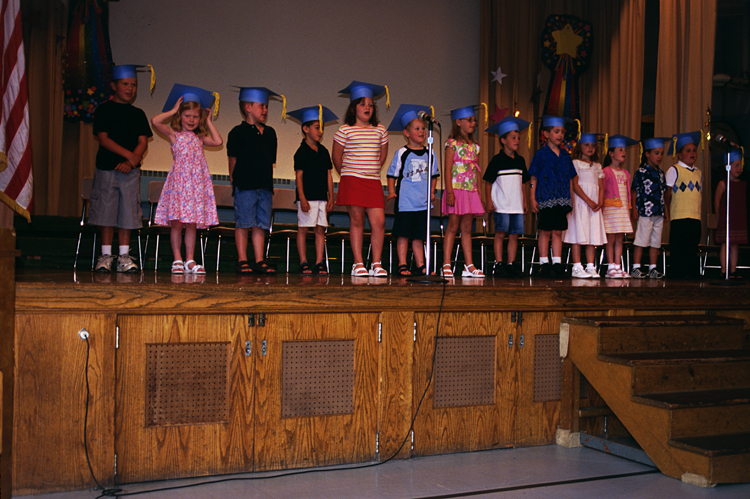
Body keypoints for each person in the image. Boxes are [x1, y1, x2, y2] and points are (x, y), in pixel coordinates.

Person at [151, 84, 222, 275]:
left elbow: (218, 142)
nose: (191, 120)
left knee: (191, 224)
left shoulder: (200, 137)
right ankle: (177, 259)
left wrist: (208, 120)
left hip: (196, 186)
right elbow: (155, 121)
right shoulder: (175, 135)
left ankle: (190, 259)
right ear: (180, 117)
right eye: (187, 115)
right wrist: (173, 110)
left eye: (195, 116)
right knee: (177, 223)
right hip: (180, 186)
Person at [90, 64, 154, 273]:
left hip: (130, 171)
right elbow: (103, 139)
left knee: (128, 212)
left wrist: (132, 162)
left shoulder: (138, 113)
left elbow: (142, 141)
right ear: (114, 86)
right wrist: (130, 155)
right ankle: (106, 255)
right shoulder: (104, 110)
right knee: (106, 212)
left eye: (133, 85)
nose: (130, 88)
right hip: (107, 168)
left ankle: (124, 256)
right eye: (125, 84)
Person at [332, 81, 389, 277]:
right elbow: (336, 157)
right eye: (363, 104)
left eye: (371, 105)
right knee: (357, 220)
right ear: (353, 107)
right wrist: (348, 174)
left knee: (379, 221)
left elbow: (382, 156)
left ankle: (376, 262)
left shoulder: (380, 130)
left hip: (372, 181)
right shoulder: (345, 130)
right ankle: (358, 263)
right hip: (352, 180)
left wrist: (370, 171)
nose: (367, 108)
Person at [227, 86, 283, 274]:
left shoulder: (270, 133)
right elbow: (233, 160)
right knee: (244, 223)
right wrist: (235, 183)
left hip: (265, 187)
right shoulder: (237, 132)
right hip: (245, 186)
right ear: (248, 107)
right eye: (262, 106)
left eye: (266, 107)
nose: (265, 110)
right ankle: (243, 259)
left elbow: (269, 160)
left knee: (261, 224)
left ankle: (259, 260)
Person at [386, 104, 439, 277]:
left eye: (423, 128)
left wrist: (432, 192)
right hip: (405, 202)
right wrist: (392, 191)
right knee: (403, 235)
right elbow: (392, 174)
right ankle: (402, 264)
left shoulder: (430, 153)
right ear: (407, 133)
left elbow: (434, 175)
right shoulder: (402, 153)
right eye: (417, 128)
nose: (422, 131)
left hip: (422, 203)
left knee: (418, 236)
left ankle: (420, 265)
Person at [287, 105, 337, 275]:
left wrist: (331, 196)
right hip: (307, 197)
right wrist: (302, 197)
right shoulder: (301, 152)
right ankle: (303, 261)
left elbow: (328, 175)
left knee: (320, 229)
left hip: (322, 197)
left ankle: (319, 262)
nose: (320, 131)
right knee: (303, 228)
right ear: (306, 129)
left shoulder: (323, 151)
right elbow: (299, 176)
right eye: (317, 128)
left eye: (322, 128)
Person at [528, 115, 578, 278]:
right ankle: (544, 263)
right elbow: (533, 177)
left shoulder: (565, 155)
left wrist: (570, 199)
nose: (560, 135)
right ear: (546, 134)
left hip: (562, 199)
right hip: (545, 199)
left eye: (562, 132)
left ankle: (557, 262)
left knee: (558, 231)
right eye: (556, 131)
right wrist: (532, 197)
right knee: (545, 231)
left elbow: (570, 178)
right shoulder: (541, 154)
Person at [440, 105, 486, 279]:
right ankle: (446, 263)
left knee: (467, 228)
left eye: (474, 120)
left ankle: (469, 265)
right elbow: (448, 169)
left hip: (471, 191)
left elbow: (477, 172)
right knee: (452, 226)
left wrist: (479, 193)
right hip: (456, 190)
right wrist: (449, 192)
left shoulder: (475, 146)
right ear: (458, 122)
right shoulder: (452, 143)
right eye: (469, 120)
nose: (473, 123)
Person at [482, 116, 530, 278]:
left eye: (518, 138)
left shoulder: (521, 161)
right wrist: (489, 200)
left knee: (514, 234)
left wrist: (524, 201)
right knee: (501, 233)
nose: (517, 141)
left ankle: (511, 263)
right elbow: (488, 183)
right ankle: (499, 263)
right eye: (513, 138)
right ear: (503, 140)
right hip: (501, 204)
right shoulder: (497, 160)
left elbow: (523, 183)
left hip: (516, 205)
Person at [564, 133, 606, 278]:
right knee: (578, 234)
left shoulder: (597, 166)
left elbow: (601, 186)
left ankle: (590, 266)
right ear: (580, 147)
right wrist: (588, 201)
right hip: (581, 202)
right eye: (587, 145)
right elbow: (575, 185)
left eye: (593, 145)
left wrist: (600, 202)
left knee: (592, 235)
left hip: (594, 205)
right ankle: (576, 266)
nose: (590, 148)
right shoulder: (575, 163)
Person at [665, 131, 703, 279]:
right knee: (680, 245)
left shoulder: (698, 172)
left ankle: (692, 273)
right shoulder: (674, 170)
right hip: (679, 215)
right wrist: (669, 209)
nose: (692, 153)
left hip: (695, 215)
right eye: (688, 150)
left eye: (694, 150)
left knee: (692, 244)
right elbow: (667, 192)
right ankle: (677, 273)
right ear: (679, 155)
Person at [630, 137, 670, 279]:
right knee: (641, 239)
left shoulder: (660, 173)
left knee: (655, 241)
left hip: (658, 211)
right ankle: (636, 267)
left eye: (661, 153)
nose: (659, 156)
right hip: (645, 211)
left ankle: (653, 267)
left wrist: (665, 210)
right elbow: (634, 190)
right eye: (656, 153)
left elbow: (663, 192)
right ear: (647, 154)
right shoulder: (640, 172)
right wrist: (634, 208)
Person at [601, 134, 636, 278]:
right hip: (610, 209)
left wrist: (630, 206)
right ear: (611, 153)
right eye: (620, 150)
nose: (624, 152)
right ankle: (610, 267)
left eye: (625, 150)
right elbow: (602, 191)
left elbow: (627, 192)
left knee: (620, 238)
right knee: (611, 238)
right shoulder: (606, 172)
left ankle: (617, 265)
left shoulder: (626, 173)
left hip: (622, 210)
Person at [714, 150, 747, 277]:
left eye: (740, 166)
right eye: (736, 165)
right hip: (726, 218)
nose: (739, 168)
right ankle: (724, 270)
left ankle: (733, 270)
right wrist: (719, 218)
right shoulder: (722, 184)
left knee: (735, 244)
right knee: (725, 243)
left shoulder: (743, 185)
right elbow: (717, 202)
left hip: (738, 218)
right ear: (727, 167)